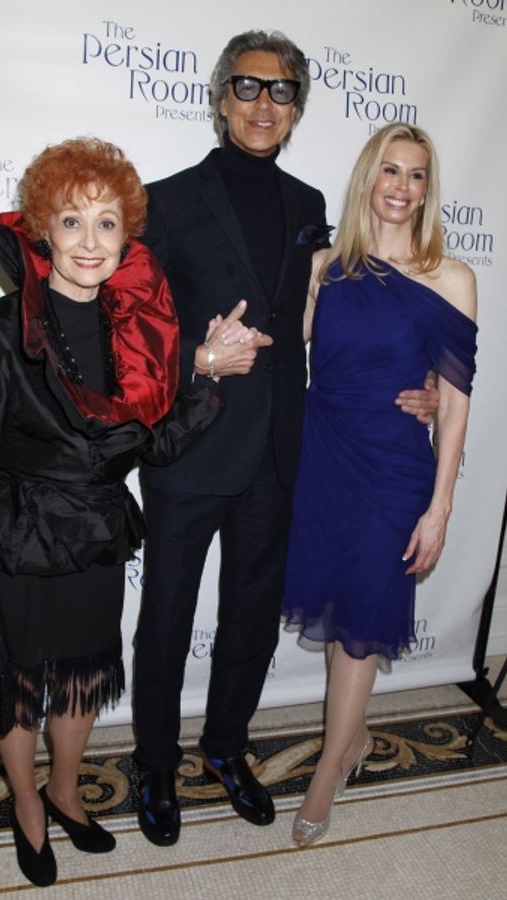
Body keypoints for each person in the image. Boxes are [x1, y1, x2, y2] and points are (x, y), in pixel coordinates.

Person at [133, 31, 438, 847]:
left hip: (280, 453)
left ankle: (225, 749)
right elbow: (131, 331)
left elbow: (337, 319)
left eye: (281, 92)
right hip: (192, 444)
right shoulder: (163, 201)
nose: (263, 104)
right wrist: (197, 359)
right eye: (248, 87)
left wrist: (426, 379)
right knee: (166, 614)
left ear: (297, 108)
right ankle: (155, 764)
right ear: (220, 97)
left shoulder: (310, 208)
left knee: (250, 615)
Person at [0, 137, 219, 886]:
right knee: (20, 685)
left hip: (93, 538)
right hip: (15, 540)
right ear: (41, 231)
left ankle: (64, 787)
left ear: (128, 237)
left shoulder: (140, 335)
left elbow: (150, 448)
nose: (90, 241)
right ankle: (27, 802)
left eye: (108, 224)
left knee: (84, 677)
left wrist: (207, 378)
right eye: (72, 221)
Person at [283, 123, 477, 847]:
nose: (401, 187)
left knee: (362, 625)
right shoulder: (326, 267)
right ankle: (355, 738)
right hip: (323, 458)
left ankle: (329, 768)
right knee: (343, 612)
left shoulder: (451, 278)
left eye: (416, 175)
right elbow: (283, 351)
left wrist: (442, 506)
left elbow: (455, 403)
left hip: (395, 470)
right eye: (389, 171)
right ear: (368, 177)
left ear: (429, 189)